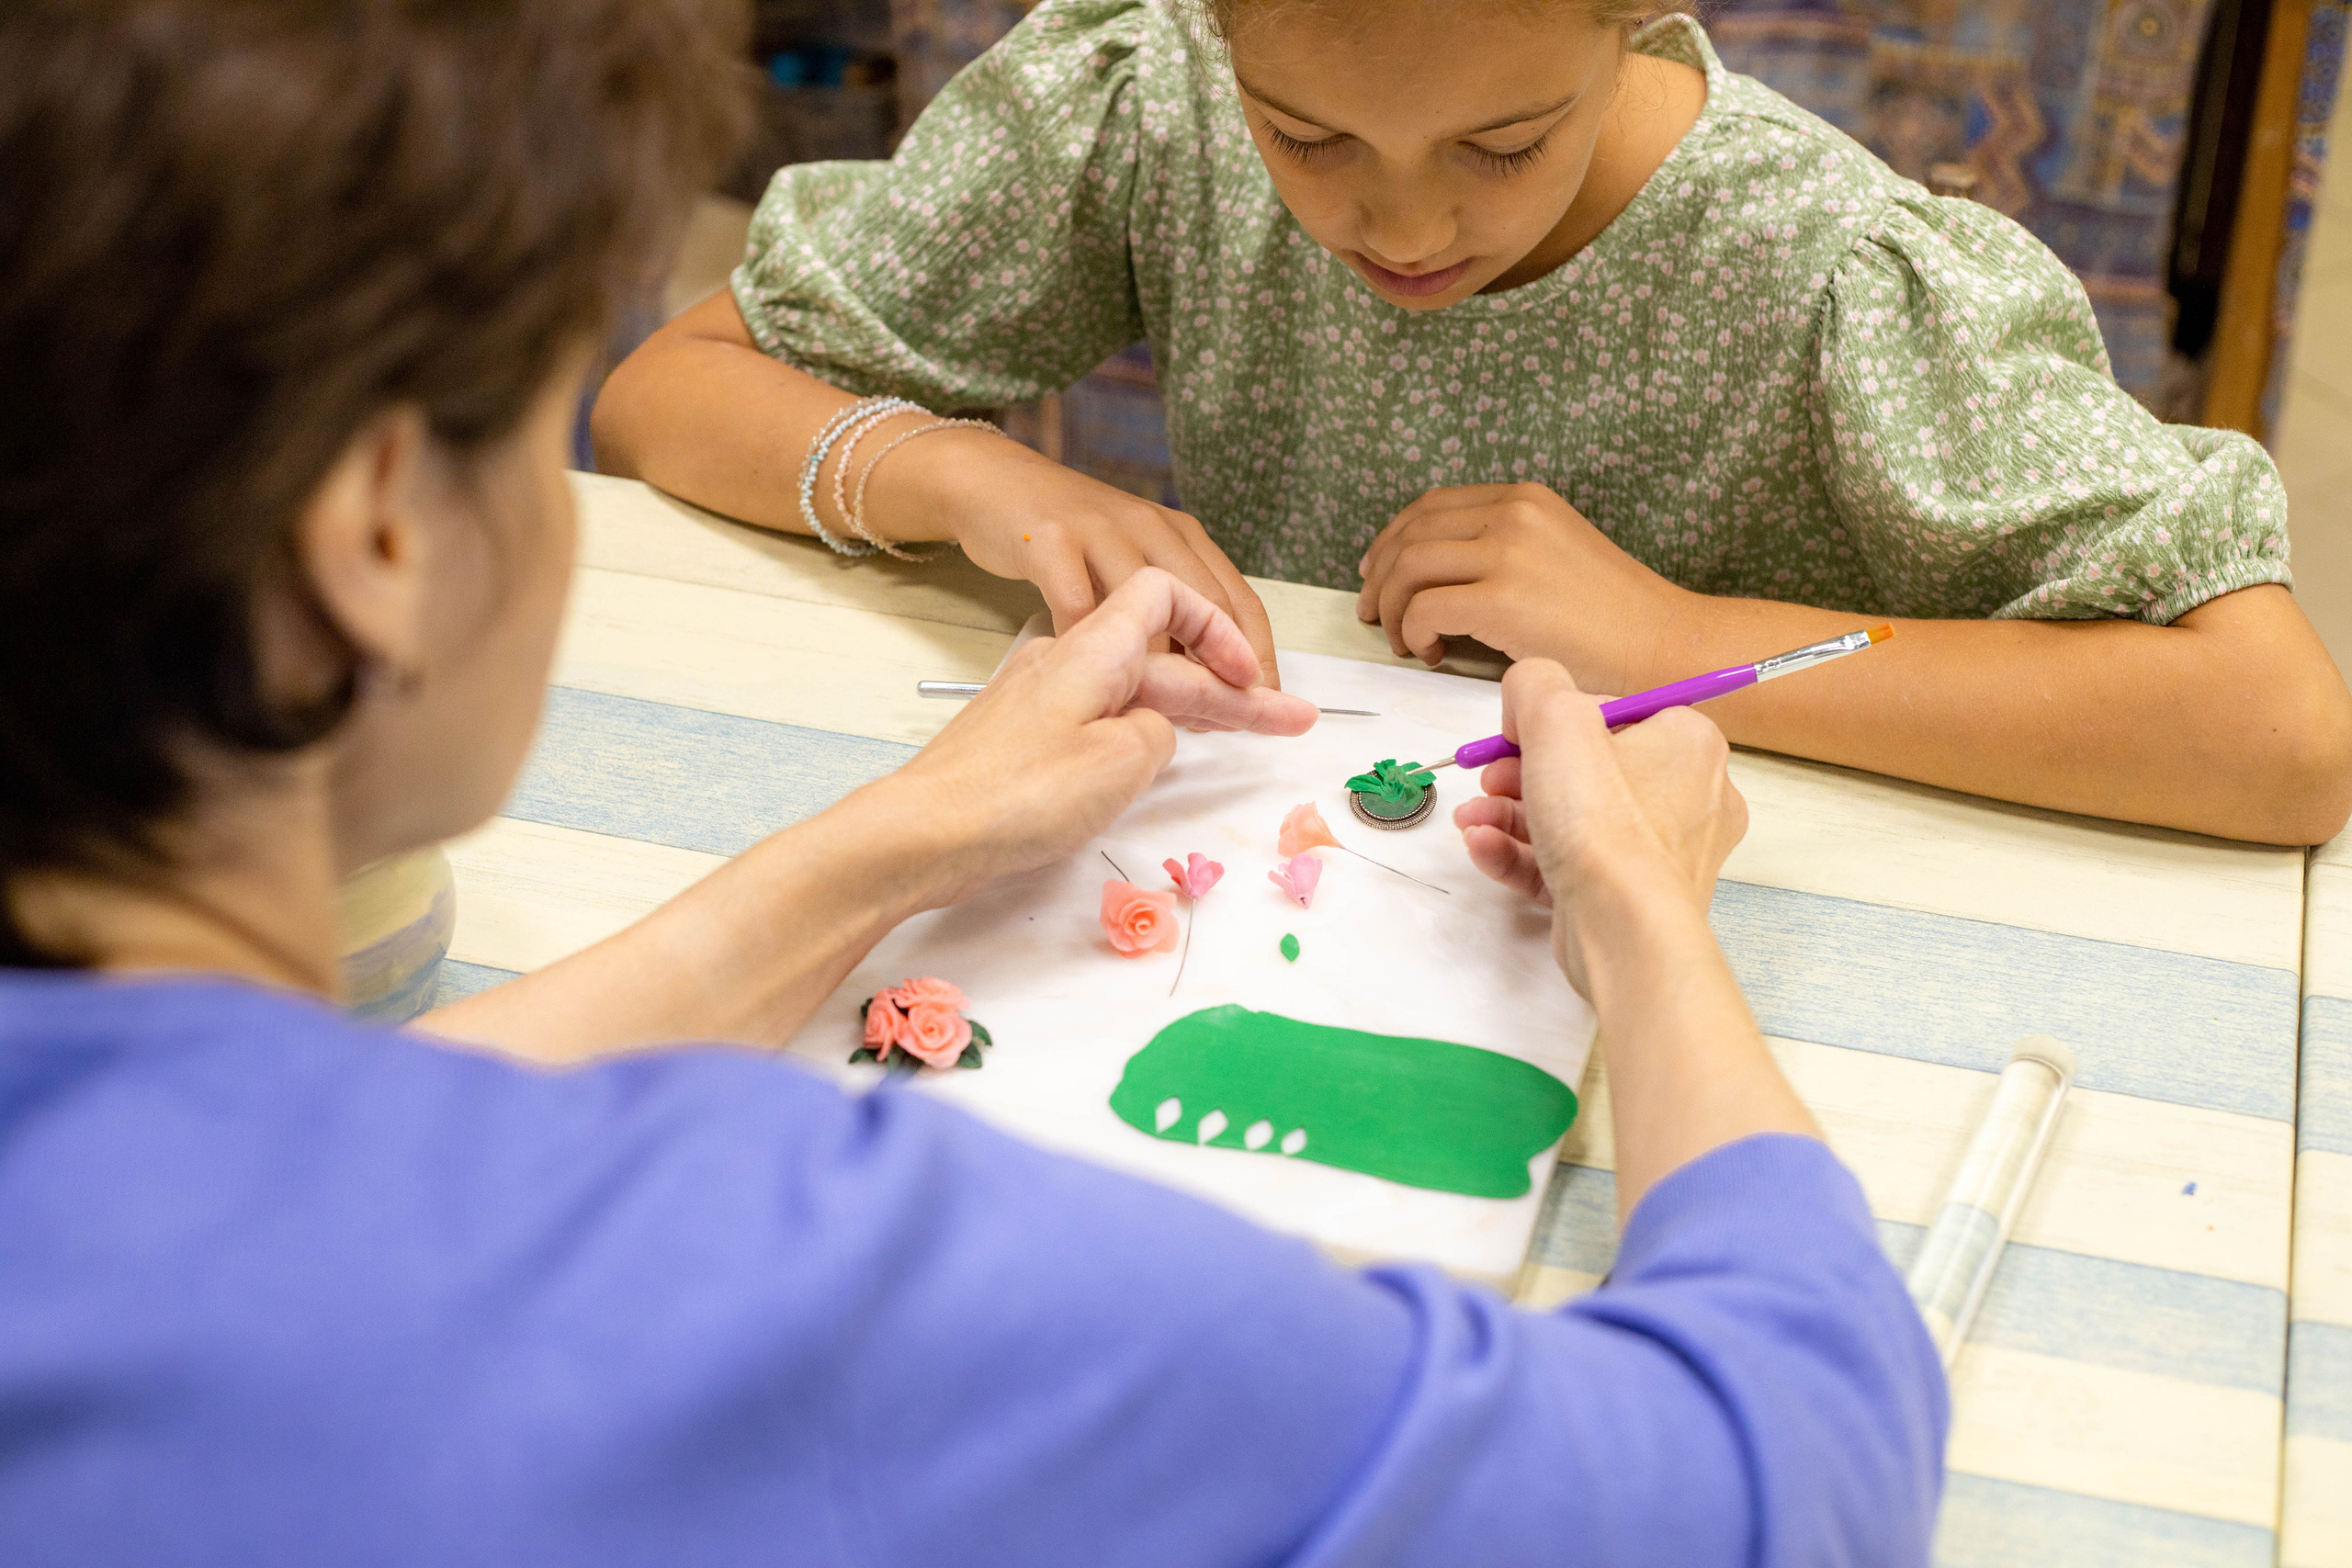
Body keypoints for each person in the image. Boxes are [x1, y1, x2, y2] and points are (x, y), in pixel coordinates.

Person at [0, 3, 1943, 1562]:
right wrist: (1640, 912)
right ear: (379, 541)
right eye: (523, 420)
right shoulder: (820, 1271)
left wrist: (898, 838)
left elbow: (341, 1157)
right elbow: (1785, 1459)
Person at [593, 0, 2352, 847]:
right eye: (1308, 138)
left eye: (1503, 148)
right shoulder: (1159, 101)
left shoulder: (1824, 271)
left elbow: (2276, 733)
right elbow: (667, 389)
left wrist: (1679, 640)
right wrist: (963, 468)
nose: (1406, 229)